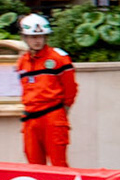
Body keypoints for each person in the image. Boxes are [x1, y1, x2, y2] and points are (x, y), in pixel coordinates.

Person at [15, 13, 78, 168]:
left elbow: (70, 89)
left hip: (53, 117)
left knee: (59, 165)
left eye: (41, 36)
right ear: (24, 38)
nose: (37, 41)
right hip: (31, 119)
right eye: (32, 37)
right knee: (34, 166)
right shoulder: (22, 62)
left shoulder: (58, 58)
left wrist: (63, 111)